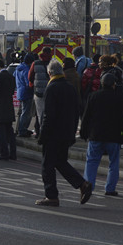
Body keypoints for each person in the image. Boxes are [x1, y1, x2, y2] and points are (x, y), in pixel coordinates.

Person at [35, 60, 92, 207]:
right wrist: (72, 133)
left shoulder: (52, 88)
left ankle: (51, 196)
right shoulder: (70, 87)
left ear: (50, 73)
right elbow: (76, 111)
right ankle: (82, 184)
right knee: (60, 162)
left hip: (53, 134)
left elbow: (48, 115)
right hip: (67, 133)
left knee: (47, 165)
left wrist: (43, 135)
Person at [81, 72, 123, 196]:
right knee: (113, 163)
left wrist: (84, 132)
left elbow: (86, 117)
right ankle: (110, 188)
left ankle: (88, 187)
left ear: (102, 84)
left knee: (91, 161)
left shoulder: (93, 96)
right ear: (114, 84)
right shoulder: (119, 98)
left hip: (95, 135)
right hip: (113, 136)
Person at [29, 47, 53, 136]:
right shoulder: (53, 63)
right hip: (50, 91)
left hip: (38, 91)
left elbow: (30, 77)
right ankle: (49, 132)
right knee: (50, 113)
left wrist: (33, 84)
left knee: (39, 113)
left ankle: (40, 133)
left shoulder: (35, 63)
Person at [15, 53, 34, 137]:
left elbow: (14, 77)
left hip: (20, 92)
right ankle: (22, 130)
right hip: (27, 93)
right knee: (26, 113)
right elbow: (28, 83)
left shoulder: (18, 68)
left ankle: (22, 129)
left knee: (23, 112)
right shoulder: (26, 70)